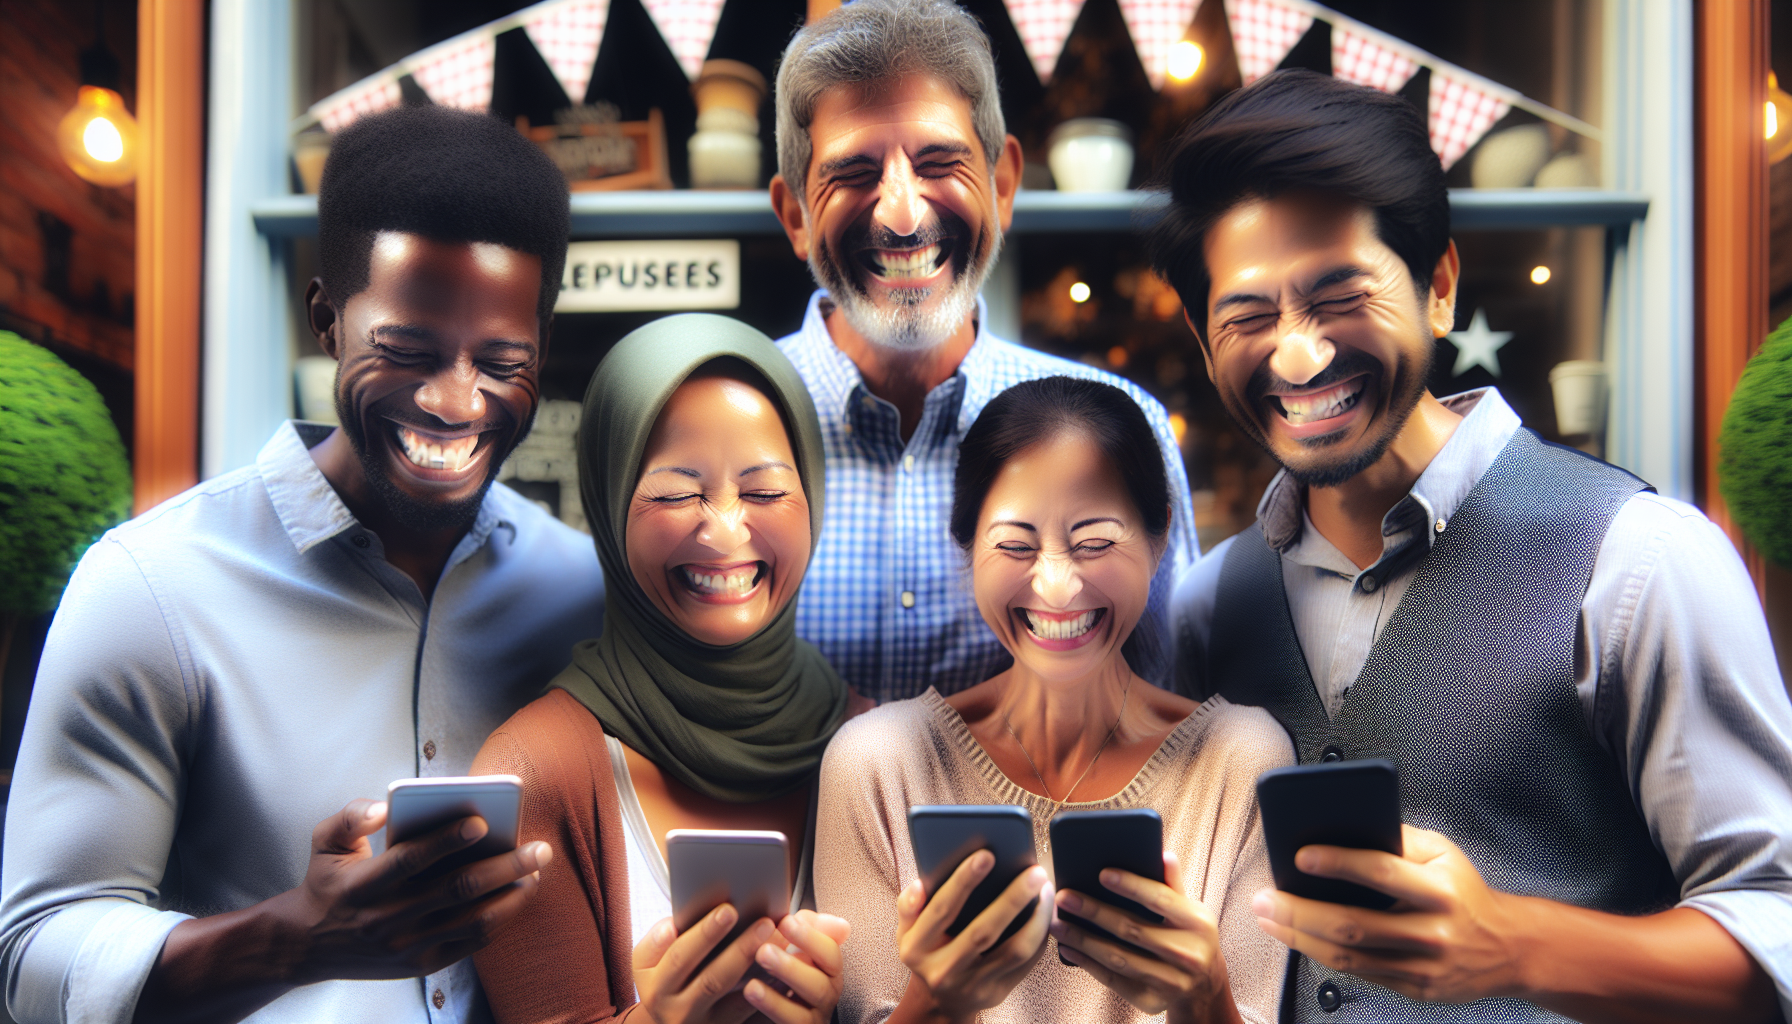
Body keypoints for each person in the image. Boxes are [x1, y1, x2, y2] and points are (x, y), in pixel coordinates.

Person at [1158, 71, 1792, 1022]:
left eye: (1339, 295)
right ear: (1209, 350)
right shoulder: (1209, 606)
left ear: (1440, 287)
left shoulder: (1641, 561)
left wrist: (1518, 945)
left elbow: (1777, 926)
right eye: (1248, 318)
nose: (1297, 356)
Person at [0, 105, 602, 1024]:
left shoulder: (582, 591)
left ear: (542, 354)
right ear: (326, 318)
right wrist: (296, 937)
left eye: (501, 361)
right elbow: (33, 962)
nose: (454, 400)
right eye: (406, 350)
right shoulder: (149, 586)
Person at [816, 376, 1291, 1024]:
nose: (1058, 586)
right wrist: (935, 1005)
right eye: (1014, 546)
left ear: (1158, 541)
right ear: (967, 548)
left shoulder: (1240, 758)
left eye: (1095, 543)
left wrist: (1206, 1000)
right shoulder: (877, 762)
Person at [768, 0, 1198, 704]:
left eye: (940, 162)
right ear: (795, 214)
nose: (902, 216)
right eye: (853, 173)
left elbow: (1166, 721)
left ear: (1002, 185)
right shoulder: (725, 423)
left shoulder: (1119, 432)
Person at [471, 315, 853, 1024]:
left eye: (765, 492)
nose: (725, 530)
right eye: (677, 493)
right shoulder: (536, 773)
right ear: (610, 504)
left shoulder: (871, 749)